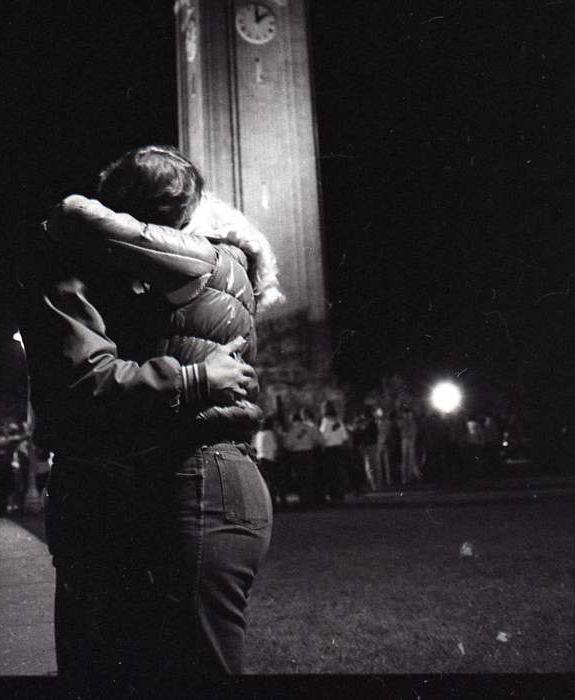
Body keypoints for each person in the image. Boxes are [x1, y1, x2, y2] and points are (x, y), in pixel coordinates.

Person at [18, 144, 281, 687]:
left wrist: (192, 378)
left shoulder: (94, 269)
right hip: (203, 480)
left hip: (182, 482)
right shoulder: (220, 258)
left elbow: (84, 385)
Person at [284, 411, 323, 506]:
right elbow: (318, 440)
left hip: (297, 455)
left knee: (300, 476)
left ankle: (303, 498)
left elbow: (287, 445)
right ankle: (311, 497)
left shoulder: (291, 431)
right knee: (309, 475)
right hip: (309, 453)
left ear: (292, 420)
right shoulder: (308, 428)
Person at [318, 400, 349, 502]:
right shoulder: (338, 421)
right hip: (339, 449)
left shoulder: (325, 421)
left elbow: (323, 437)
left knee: (331, 473)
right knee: (339, 472)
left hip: (329, 450)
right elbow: (345, 436)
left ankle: (333, 494)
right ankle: (341, 493)